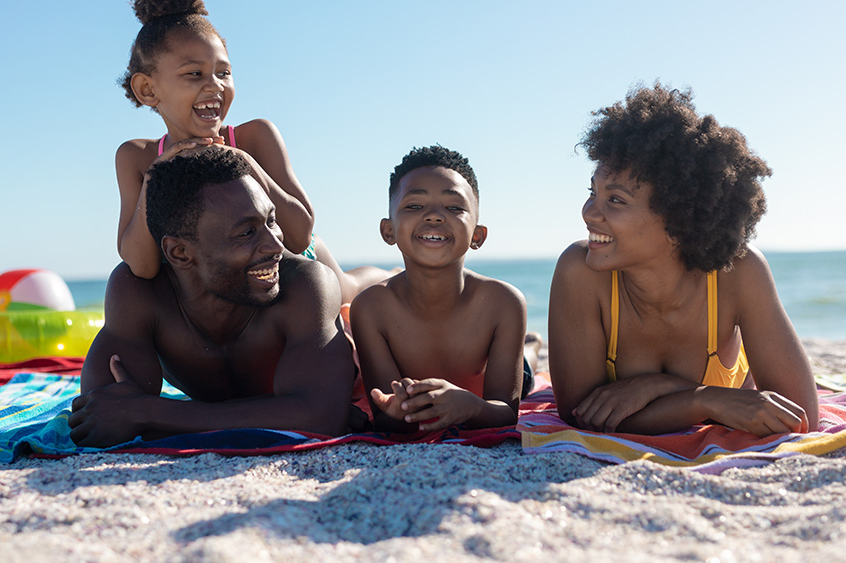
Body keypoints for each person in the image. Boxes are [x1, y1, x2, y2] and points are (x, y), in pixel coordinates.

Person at [548, 83, 819, 437]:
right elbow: (579, 414)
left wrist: (656, 389)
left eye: (615, 200)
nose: (589, 213)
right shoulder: (580, 270)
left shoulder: (738, 271)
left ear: (678, 219)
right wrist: (703, 401)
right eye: (592, 192)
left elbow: (800, 418)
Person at [114, 0, 394, 303]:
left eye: (224, 72)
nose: (215, 85)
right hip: (233, 289)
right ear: (148, 89)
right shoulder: (137, 158)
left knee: (354, 289)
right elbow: (141, 266)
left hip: (297, 268)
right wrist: (156, 176)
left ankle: (390, 275)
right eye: (194, 74)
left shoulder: (254, 137)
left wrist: (244, 163)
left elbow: (300, 235)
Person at [69, 148, 356, 447]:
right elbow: (99, 418)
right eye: (246, 233)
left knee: (359, 288)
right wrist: (284, 410)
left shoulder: (304, 284)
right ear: (179, 253)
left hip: (328, 276)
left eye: (271, 221)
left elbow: (322, 417)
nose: (274, 245)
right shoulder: (141, 295)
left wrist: (148, 411)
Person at [351, 145, 536, 433]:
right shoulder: (370, 308)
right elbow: (386, 415)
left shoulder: (504, 303)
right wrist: (399, 410)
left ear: (477, 235)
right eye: (414, 206)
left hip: (494, 379)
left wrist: (471, 405)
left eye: (454, 207)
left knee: (526, 370)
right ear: (389, 230)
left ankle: (532, 346)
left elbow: (505, 412)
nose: (434, 216)